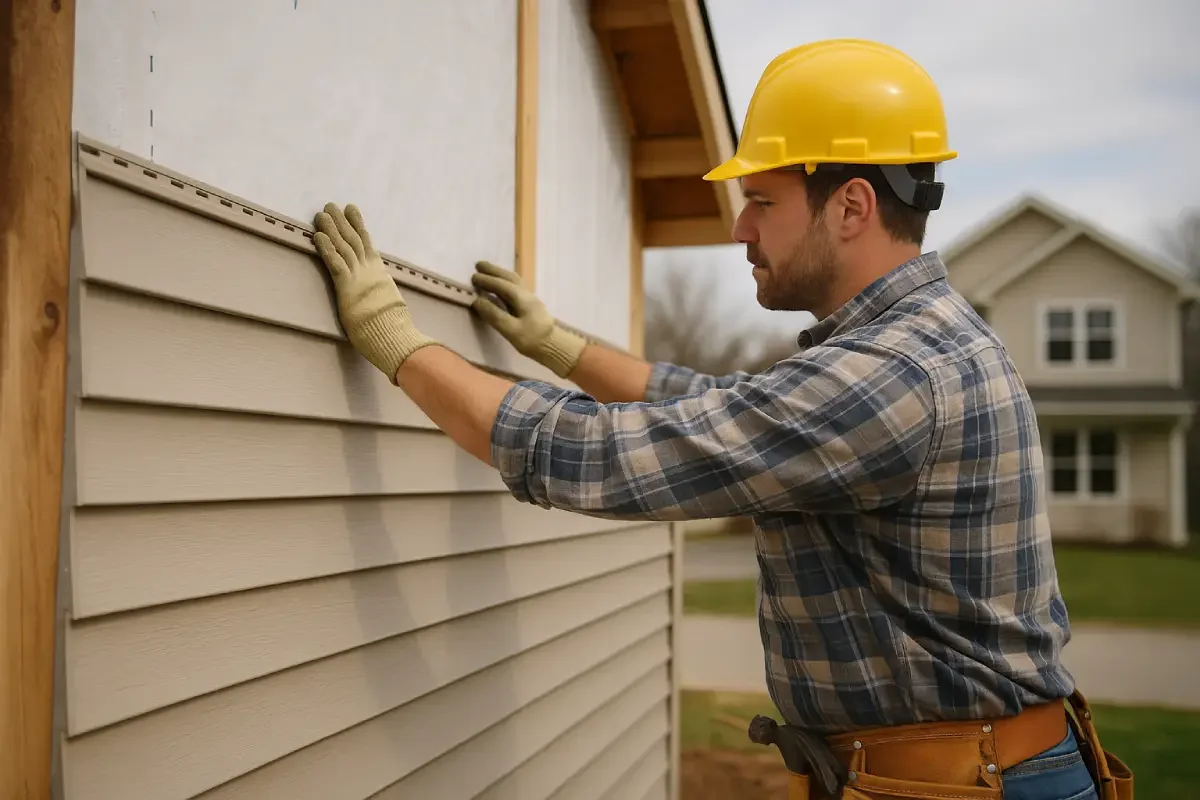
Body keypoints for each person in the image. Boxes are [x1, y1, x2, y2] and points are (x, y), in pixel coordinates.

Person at [311, 37, 1130, 800]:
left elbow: (602, 453)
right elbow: (722, 411)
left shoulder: (894, 373)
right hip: (967, 773)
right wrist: (558, 345)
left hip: (965, 784)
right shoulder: (912, 347)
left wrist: (396, 340)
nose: (740, 229)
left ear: (851, 206)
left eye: (761, 201)